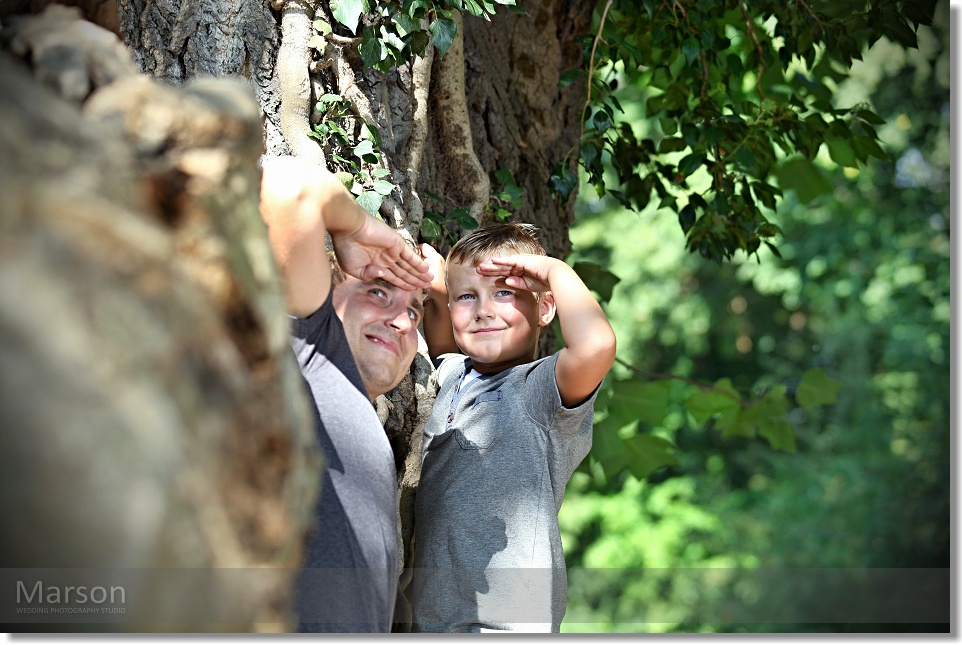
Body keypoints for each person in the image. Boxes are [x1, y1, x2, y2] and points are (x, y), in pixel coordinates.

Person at [412, 223, 617, 632]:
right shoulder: (450, 374)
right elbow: (441, 340)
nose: (483, 310)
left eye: (503, 292)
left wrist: (554, 271)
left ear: (545, 308)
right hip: (434, 622)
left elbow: (596, 346)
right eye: (467, 297)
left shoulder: (540, 390)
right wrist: (438, 288)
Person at [258, 156, 432, 632]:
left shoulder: (357, 409)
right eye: (378, 291)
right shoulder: (311, 354)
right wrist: (356, 229)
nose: (403, 319)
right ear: (330, 291)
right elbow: (287, 186)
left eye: (416, 312)